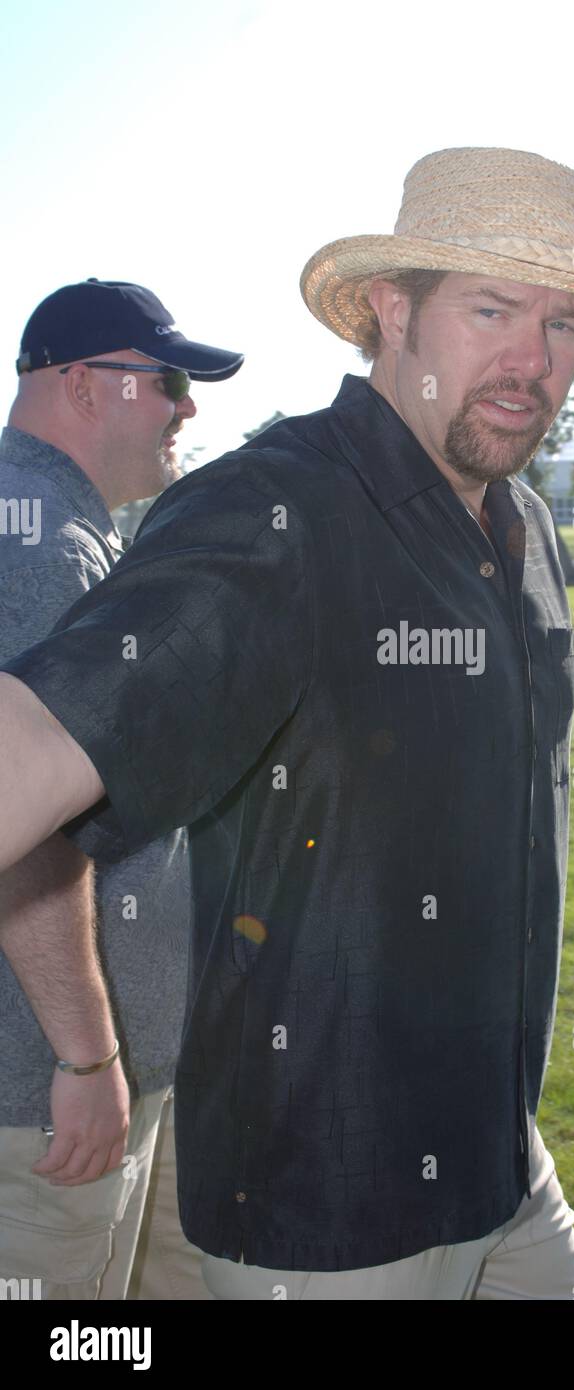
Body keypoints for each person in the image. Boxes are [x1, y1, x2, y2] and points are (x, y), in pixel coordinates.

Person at [0, 149, 574, 1300]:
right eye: (490, 308)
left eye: (564, 324)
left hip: (499, 1157)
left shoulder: (514, 527)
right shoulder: (277, 512)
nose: (533, 360)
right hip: (329, 1211)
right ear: (389, 310)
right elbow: (33, 751)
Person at [0, 278, 243, 1299]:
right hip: (49, 1096)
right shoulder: (41, 552)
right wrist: (89, 1060)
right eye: (169, 380)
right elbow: (27, 826)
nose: (188, 407)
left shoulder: (67, 530)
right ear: (82, 386)